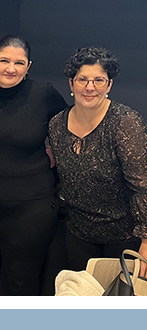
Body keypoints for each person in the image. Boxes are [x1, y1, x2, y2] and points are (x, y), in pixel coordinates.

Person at [0, 35, 67, 295]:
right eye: (4, 60)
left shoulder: (44, 95)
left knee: (19, 279)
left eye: (19, 63)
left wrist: (52, 149)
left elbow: (69, 127)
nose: (10, 68)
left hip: (29, 208)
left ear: (28, 67)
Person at [47, 47, 147, 273]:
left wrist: (146, 241)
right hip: (78, 234)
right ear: (71, 84)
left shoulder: (125, 123)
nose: (89, 87)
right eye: (82, 79)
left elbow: (143, 187)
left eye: (99, 80)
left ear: (109, 85)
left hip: (124, 237)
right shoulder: (56, 125)